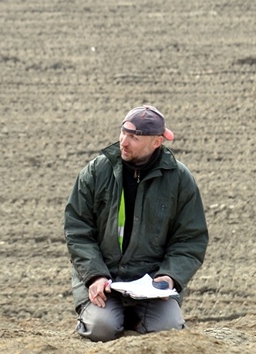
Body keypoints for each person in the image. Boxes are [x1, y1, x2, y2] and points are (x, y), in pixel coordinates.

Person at [64, 105, 208, 342]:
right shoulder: (97, 171)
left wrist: (169, 276)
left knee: (169, 330)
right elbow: (77, 229)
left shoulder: (180, 179)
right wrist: (94, 276)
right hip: (105, 279)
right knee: (101, 328)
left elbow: (190, 239)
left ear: (156, 142)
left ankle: (134, 316)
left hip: (151, 284)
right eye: (123, 132)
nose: (124, 141)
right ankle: (112, 316)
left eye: (134, 137)